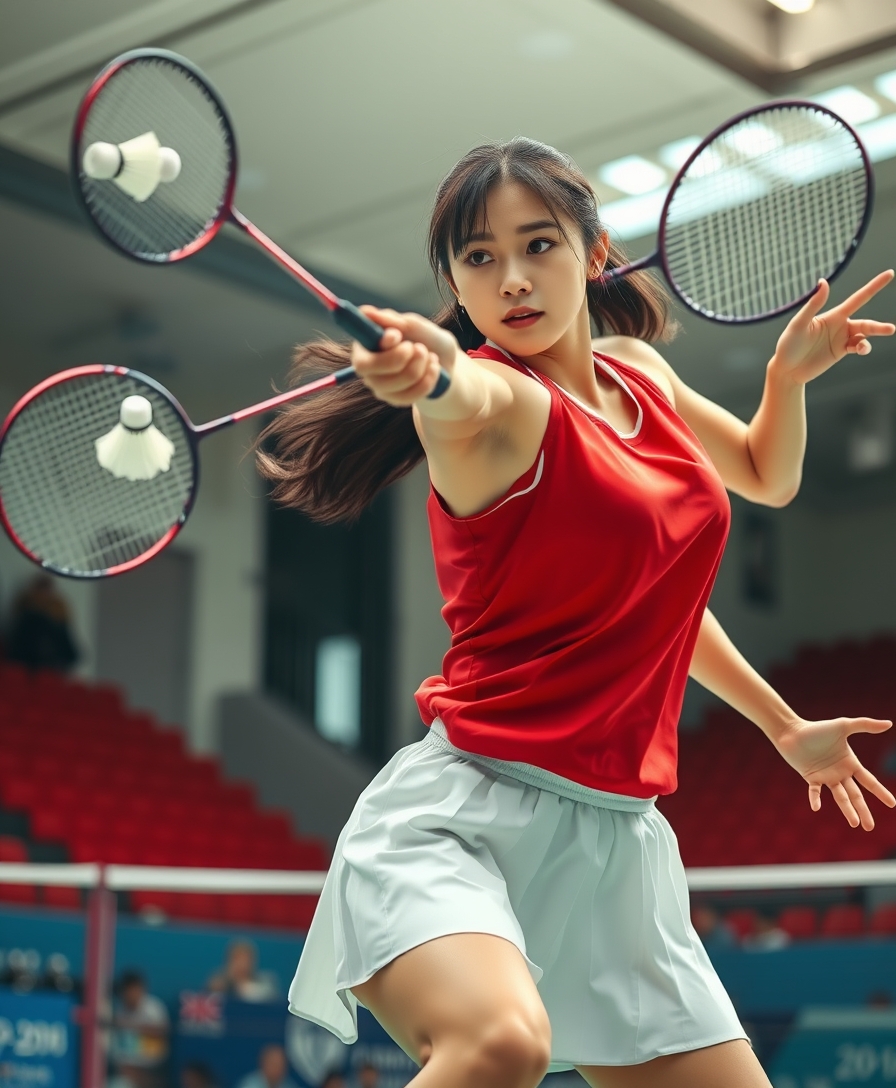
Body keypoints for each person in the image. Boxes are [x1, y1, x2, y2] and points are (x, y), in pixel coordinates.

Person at [262, 138, 896, 1087]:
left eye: (539, 245)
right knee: (501, 1045)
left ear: (595, 254)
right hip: (464, 818)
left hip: (617, 850)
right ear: (457, 288)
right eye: (479, 258)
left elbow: (762, 479)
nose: (512, 279)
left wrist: (786, 382)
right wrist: (429, 369)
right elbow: (456, 389)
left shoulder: (641, 371)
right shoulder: (499, 409)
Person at [4, 574, 79, 672]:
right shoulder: (27, 615)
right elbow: (17, 649)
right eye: (41, 590)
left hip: (52, 672)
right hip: (26, 671)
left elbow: (70, 654)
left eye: (46, 590)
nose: (44, 594)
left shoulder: (58, 616)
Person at [109, 969, 169, 1088]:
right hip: (124, 1068)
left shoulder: (154, 1009)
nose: (132, 994)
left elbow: (162, 1033)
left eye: (135, 990)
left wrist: (131, 1026)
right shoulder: (117, 1010)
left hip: (151, 1069)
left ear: (142, 989)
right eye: (128, 990)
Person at [207, 939, 279, 1002]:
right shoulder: (218, 983)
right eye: (237, 958)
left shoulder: (266, 983)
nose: (242, 963)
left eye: (246, 959)